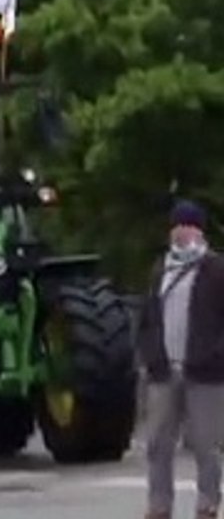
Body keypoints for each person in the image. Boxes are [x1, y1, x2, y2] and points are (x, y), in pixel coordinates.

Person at [138, 199, 224, 519]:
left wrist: (215, 354)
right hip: (164, 372)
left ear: (199, 231)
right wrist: (150, 355)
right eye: (177, 225)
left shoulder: (216, 269)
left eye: (188, 225)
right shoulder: (161, 269)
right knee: (158, 444)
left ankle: (207, 504)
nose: (181, 232)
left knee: (207, 446)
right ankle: (159, 507)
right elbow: (148, 317)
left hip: (206, 375)